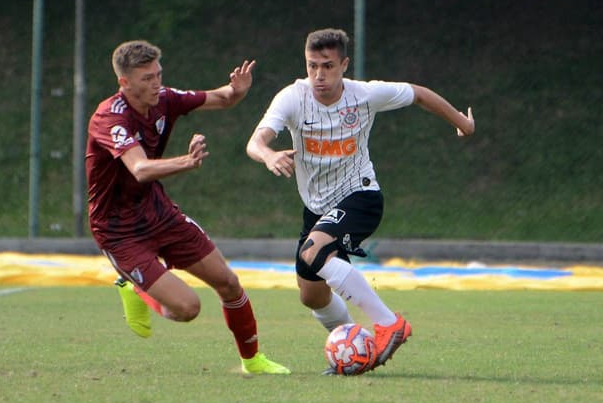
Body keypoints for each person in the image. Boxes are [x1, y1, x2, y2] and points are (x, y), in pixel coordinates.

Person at [246, 28, 475, 373]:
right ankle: (355, 351)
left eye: (327, 66)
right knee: (312, 295)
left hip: (360, 196)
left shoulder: (364, 95)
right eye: (312, 66)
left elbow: (419, 94)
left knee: (314, 251)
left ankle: (388, 324)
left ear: (344, 65)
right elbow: (255, 141)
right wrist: (267, 155)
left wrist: (461, 122)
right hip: (317, 210)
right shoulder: (293, 98)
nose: (319, 75)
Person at [86, 40, 290, 375]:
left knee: (228, 282)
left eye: (158, 74)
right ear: (124, 83)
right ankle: (135, 287)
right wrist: (187, 161)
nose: (156, 83)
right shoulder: (110, 118)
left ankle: (252, 361)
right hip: (118, 230)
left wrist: (238, 90)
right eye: (147, 78)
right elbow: (139, 169)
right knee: (187, 308)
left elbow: (222, 98)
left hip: (158, 212)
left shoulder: (164, 99)